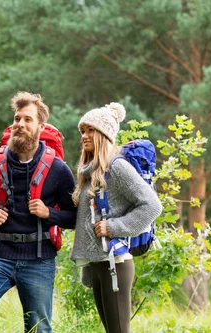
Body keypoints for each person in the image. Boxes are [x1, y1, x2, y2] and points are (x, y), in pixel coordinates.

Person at [0, 91, 76, 333]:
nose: (20, 125)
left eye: (27, 120)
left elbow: (75, 217)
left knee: (39, 328)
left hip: (40, 260)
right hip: (0, 256)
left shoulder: (58, 169)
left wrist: (49, 214)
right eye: (16, 119)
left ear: (40, 126)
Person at [70, 103, 162, 333]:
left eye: (91, 130)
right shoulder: (91, 173)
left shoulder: (117, 167)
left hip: (116, 264)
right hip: (100, 264)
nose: (84, 136)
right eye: (82, 131)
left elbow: (152, 205)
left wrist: (113, 226)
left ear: (105, 134)